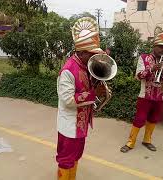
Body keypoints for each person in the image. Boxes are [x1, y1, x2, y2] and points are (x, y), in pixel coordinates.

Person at [56, 17, 106, 180]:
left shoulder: (85, 66)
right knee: (65, 160)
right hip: (69, 125)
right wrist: (93, 94)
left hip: (81, 124)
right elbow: (67, 100)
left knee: (76, 156)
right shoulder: (68, 70)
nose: (94, 57)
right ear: (82, 52)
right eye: (92, 54)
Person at [120, 30, 163, 153]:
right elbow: (138, 76)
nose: (162, 49)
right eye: (160, 46)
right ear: (154, 46)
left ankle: (147, 140)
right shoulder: (143, 58)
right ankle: (130, 142)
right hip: (145, 96)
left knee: (154, 119)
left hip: (160, 97)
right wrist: (151, 69)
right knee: (139, 119)